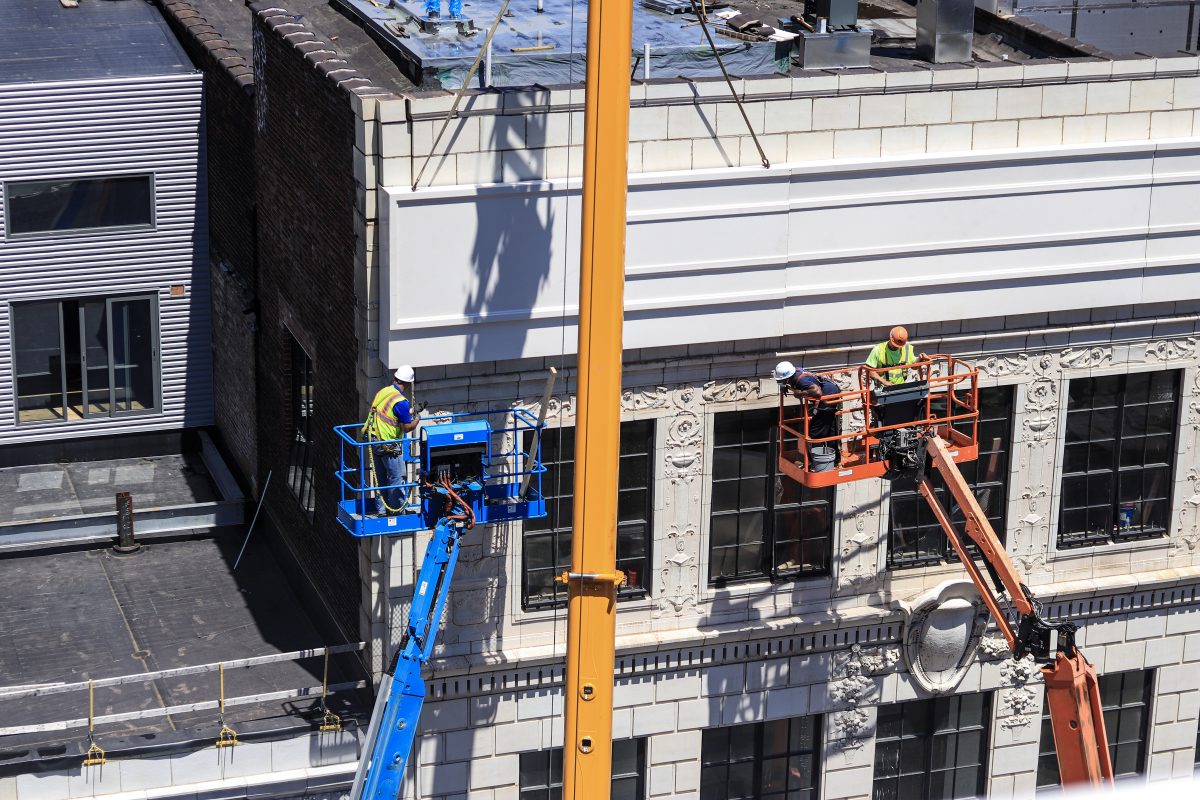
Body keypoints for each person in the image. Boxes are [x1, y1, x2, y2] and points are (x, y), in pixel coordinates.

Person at [366, 365, 422, 515]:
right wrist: (417, 418)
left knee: (380, 478)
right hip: (388, 444)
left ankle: (382, 509)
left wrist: (409, 412)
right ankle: (397, 510)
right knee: (397, 477)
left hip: (374, 440)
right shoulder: (401, 401)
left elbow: (390, 413)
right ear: (408, 383)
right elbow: (407, 427)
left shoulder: (384, 392)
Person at [773, 361, 841, 469]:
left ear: (786, 378)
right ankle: (836, 461)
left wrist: (800, 393)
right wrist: (785, 386)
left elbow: (817, 392)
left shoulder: (800, 381)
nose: (779, 382)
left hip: (827, 397)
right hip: (831, 391)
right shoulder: (796, 372)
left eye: (780, 381)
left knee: (814, 432)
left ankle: (812, 463)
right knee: (829, 428)